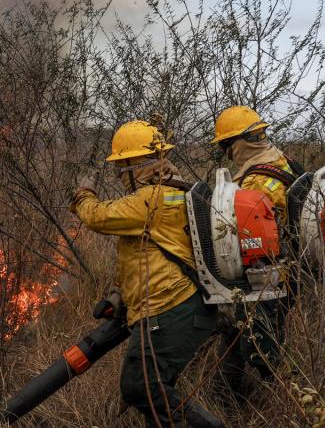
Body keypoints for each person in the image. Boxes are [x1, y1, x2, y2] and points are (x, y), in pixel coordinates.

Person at [71, 120, 224, 427]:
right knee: (154, 401)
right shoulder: (172, 190)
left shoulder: (149, 199)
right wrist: (119, 294)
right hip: (178, 307)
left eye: (121, 165)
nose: (119, 173)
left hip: (169, 308)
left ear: (133, 163)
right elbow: (143, 252)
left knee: (140, 387)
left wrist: (83, 197)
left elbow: (98, 217)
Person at [211, 105, 303, 398]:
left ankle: (299, 400)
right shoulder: (284, 162)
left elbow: (244, 234)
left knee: (263, 348)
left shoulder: (256, 183)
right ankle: (229, 398)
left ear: (240, 142)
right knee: (237, 335)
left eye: (227, 144)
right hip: (286, 271)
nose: (227, 152)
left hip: (266, 277)